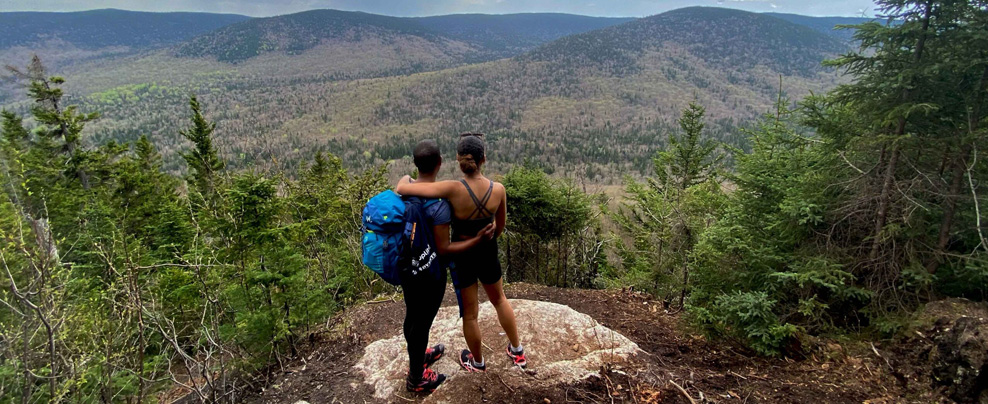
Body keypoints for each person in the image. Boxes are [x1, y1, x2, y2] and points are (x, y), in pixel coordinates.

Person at [396, 133, 527, 373]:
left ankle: (477, 362)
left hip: (463, 256)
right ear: (483, 159)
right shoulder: (498, 189)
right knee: (499, 299)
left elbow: (403, 187)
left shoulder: (453, 189)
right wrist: (486, 239)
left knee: (471, 314)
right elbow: (500, 226)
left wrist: (406, 177)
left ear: (458, 161)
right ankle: (517, 351)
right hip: (488, 251)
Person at [401, 139, 495, 393]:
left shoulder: (406, 190)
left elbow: (404, 184)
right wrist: (476, 240)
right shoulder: (439, 206)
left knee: (413, 316)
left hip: (407, 268)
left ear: (415, 164)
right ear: (440, 164)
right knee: (421, 322)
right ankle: (417, 378)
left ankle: (418, 356)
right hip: (430, 272)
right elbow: (444, 248)